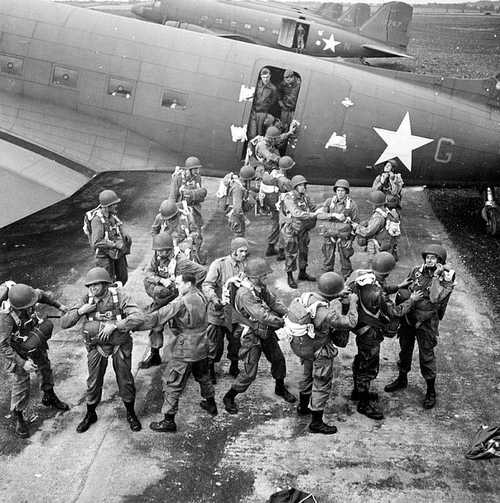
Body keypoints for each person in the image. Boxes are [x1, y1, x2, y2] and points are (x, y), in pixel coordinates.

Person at [61, 267, 144, 433]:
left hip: (119, 344)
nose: (92, 288)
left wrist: (115, 325)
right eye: (90, 285)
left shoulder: (120, 296)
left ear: (105, 284)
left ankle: (130, 413)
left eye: (96, 284)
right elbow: (64, 323)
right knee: (93, 381)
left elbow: (139, 317)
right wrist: (80, 311)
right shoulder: (86, 298)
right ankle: (91, 413)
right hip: (97, 346)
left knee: (125, 379)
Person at [348, 256, 423, 420]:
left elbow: (381, 288)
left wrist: (398, 287)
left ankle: (357, 391)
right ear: (388, 271)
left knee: (362, 359)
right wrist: (412, 300)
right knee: (368, 366)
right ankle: (363, 403)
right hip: (370, 333)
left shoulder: (363, 276)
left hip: (360, 327)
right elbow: (396, 311)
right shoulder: (378, 292)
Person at [284, 272, 358, 434]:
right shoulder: (326, 313)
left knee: (307, 375)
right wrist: (352, 303)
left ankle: (303, 406)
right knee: (322, 383)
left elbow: (325, 300)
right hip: (320, 350)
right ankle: (316, 422)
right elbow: (350, 322)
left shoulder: (308, 298)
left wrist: (337, 294)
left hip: (306, 347)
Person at [384, 244, 455, 410]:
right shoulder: (416, 270)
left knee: (426, 356)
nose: (429, 260)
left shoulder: (447, 278)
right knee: (405, 349)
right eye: (427, 257)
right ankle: (402, 378)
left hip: (427, 323)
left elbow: (435, 298)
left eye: (433, 258)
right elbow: (408, 287)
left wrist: (437, 276)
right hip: (409, 319)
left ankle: (431, 391)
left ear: (440, 261)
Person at [222, 258, 296, 414]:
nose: (266, 278)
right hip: (251, 334)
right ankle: (229, 397)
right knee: (250, 372)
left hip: (265, 331)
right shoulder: (245, 293)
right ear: (254, 277)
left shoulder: (260, 287)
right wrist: (282, 322)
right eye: (264, 276)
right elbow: (262, 315)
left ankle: (280, 387)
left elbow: (273, 302)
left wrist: (289, 314)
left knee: (278, 359)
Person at [148, 273, 216, 433]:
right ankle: (211, 404)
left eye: (179, 283)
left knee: (172, 381)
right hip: (203, 344)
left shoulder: (180, 302)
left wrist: (130, 324)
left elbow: (157, 317)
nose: (176, 286)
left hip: (186, 348)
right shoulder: (200, 295)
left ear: (188, 284)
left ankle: (168, 420)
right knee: (203, 376)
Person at [0, 283, 69, 438]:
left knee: (44, 365)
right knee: (21, 380)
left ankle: (49, 395)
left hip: (31, 333)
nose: (32, 305)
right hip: (15, 345)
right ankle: (18, 415)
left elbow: (43, 295)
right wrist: (22, 363)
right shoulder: (5, 317)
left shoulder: (30, 295)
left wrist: (60, 306)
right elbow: (3, 345)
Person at [140, 232, 207, 369]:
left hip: (177, 297)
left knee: (180, 326)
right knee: (156, 324)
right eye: (157, 250)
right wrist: (161, 280)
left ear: (169, 249)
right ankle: (154, 354)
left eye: (161, 250)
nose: (158, 253)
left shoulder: (181, 261)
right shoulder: (157, 257)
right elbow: (148, 273)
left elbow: (202, 272)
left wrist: (189, 290)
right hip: (164, 296)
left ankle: (189, 357)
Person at [202, 237, 249, 382]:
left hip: (234, 312)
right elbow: (207, 285)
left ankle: (234, 366)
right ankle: (210, 370)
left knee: (235, 341)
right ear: (233, 251)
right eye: (241, 251)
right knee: (214, 344)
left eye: (245, 251)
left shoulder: (243, 265)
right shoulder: (219, 265)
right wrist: (215, 299)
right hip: (217, 312)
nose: (243, 254)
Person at [317, 179, 359, 279]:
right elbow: (320, 215)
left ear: (346, 192)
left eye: (342, 191)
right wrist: (333, 215)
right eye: (338, 190)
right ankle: (327, 276)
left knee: (345, 257)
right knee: (328, 255)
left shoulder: (352, 205)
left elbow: (356, 223)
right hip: (329, 234)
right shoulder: (329, 202)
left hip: (343, 235)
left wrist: (351, 239)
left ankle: (347, 276)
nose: (340, 193)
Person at [281, 175, 317, 288]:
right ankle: (290, 277)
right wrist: (312, 215)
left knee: (304, 251)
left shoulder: (305, 196)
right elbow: (296, 213)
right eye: (300, 185)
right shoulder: (289, 197)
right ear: (295, 187)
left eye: (304, 185)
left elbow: (313, 207)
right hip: (291, 229)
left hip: (303, 228)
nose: (303, 187)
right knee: (291, 253)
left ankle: (302, 273)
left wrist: (323, 209)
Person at [90, 189, 131, 285]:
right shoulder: (97, 221)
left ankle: (118, 294)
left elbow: (119, 227)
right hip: (104, 256)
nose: (116, 205)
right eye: (114, 204)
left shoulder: (113, 216)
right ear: (107, 207)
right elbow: (96, 242)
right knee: (107, 281)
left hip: (117, 253)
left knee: (122, 277)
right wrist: (115, 245)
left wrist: (125, 237)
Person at [261, 155, 295, 258]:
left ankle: (270, 247)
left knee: (275, 224)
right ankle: (281, 252)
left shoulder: (269, 175)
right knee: (284, 226)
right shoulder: (284, 180)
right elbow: (291, 193)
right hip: (281, 205)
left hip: (271, 204)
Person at [353, 190, 391, 268]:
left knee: (373, 262)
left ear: (375, 204)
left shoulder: (378, 216)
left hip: (375, 244)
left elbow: (368, 231)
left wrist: (357, 227)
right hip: (383, 240)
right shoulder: (386, 211)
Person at [169, 156, 207, 232]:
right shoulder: (178, 178)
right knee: (182, 232)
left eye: (198, 168)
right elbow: (172, 196)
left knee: (197, 232)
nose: (197, 171)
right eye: (195, 169)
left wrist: (193, 194)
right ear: (189, 170)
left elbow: (200, 193)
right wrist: (171, 212)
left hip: (194, 208)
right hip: (181, 209)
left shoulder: (197, 177)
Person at [226, 165, 256, 237]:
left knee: (239, 239)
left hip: (238, 216)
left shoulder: (240, 185)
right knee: (239, 239)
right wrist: (245, 220)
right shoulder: (238, 188)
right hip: (236, 218)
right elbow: (237, 208)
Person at [248, 67, 278, 139]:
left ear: (270, 76)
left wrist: (265, 106)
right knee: (252, 134)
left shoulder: (273, 88)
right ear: (261, 77)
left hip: (263, 113)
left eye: (267, 77)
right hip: (253, 112)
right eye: (263, 77)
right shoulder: (256, 84)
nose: (265, 79)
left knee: (259, 134)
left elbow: (273, 101)